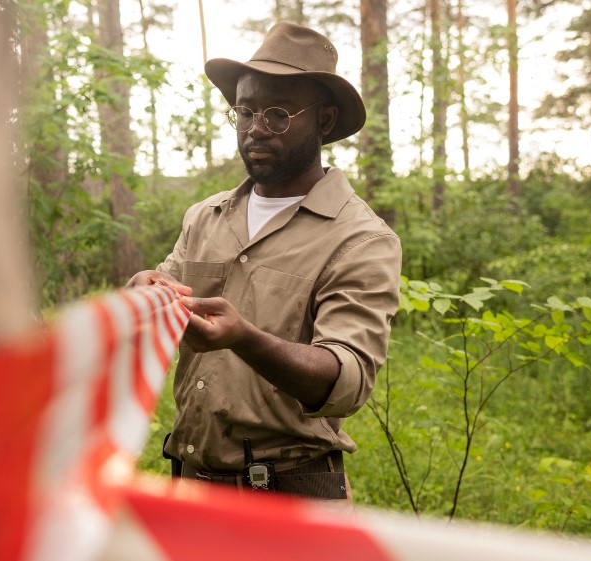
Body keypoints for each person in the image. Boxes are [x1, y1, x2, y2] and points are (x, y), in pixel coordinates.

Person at [127, 22, 402, 504]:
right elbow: (165, 290)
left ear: (323, 120)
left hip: (290, 493)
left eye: (277, 113)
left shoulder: (360, 239)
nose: (255, 127)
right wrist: (145, 292)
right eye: (245, 110)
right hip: (189, 485)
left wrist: (245, 339)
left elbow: (348, 378)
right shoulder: (204, 218)